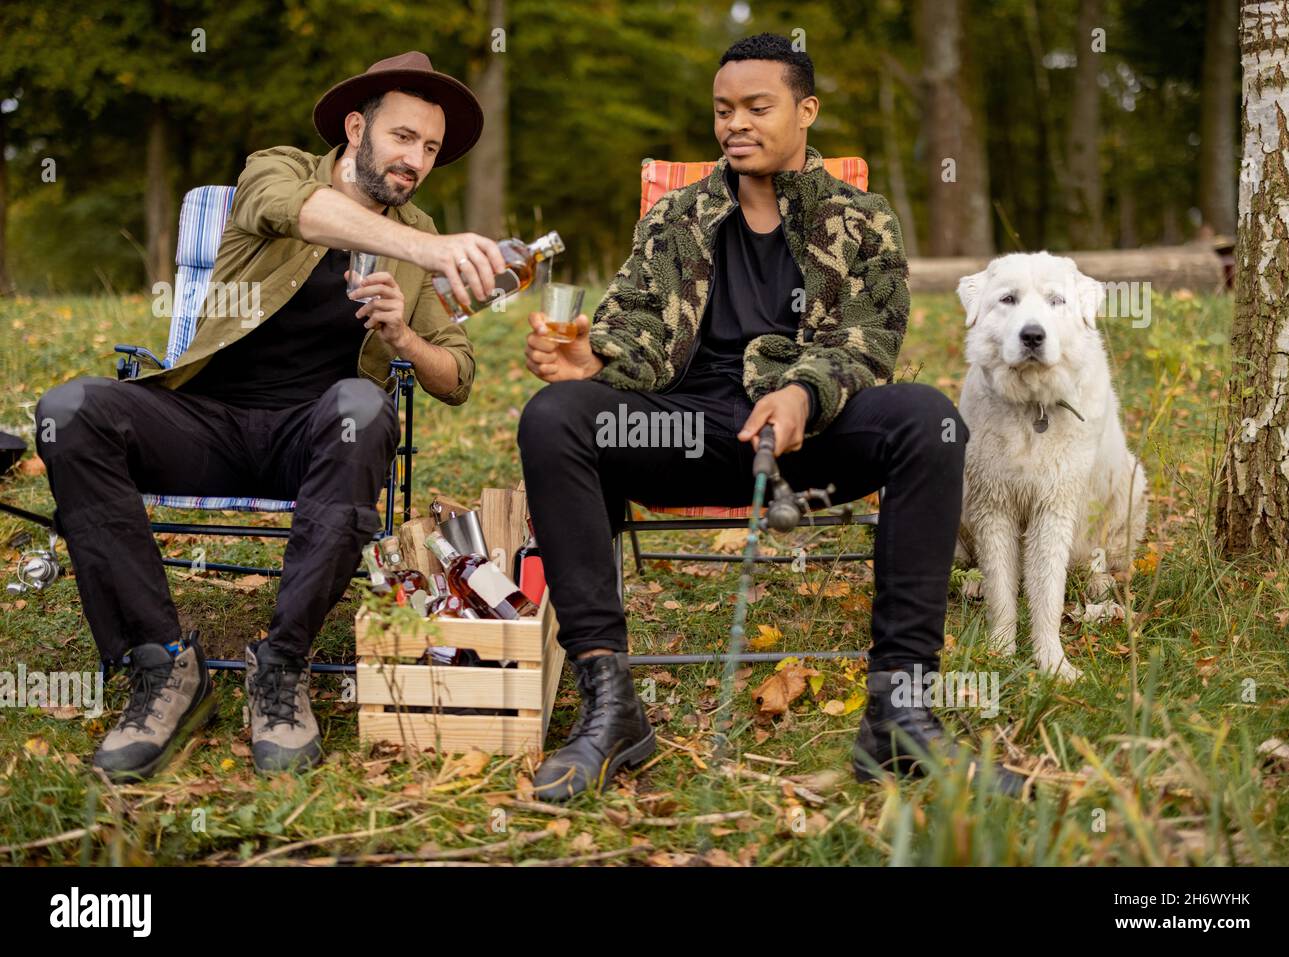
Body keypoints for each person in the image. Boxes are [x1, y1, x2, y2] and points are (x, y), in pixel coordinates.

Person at [517, 34, 1027, 802]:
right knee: (554, 415)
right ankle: (610, 705)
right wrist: (597, 359)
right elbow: (634, 327)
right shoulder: (676, 217)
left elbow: (870, 341)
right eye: (724, 110)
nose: (736, 124)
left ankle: (901, 715)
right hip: (683, 432)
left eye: (758, 107)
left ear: (806, 111)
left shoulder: (862, 219)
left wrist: (801, 393)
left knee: (929, 418)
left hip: (810, 437)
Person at [34, 51, 507, 780]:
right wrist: (427, 246)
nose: (417, 160)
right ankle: (163, 668)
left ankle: (281, 667)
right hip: (203, 424)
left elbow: (458, 376)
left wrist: (402, 334)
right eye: (404, 137)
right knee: (69, 410)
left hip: (315, 440)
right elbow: (300, 214)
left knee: (362, 405)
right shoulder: (277, 170)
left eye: (432, 149)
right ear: (356, 128)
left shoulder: (417, 235)